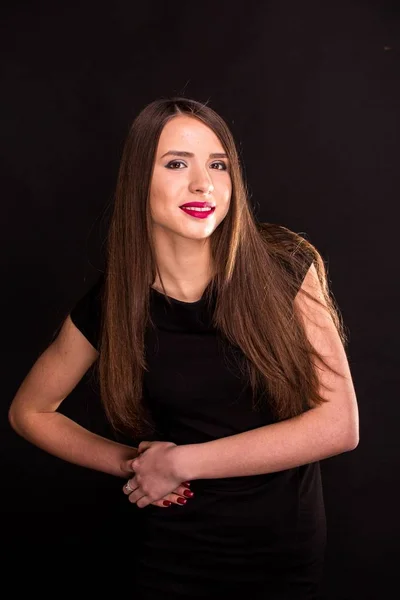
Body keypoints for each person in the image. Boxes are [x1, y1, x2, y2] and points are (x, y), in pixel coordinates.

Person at [8, 96, 359, 599]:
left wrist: (182, 462)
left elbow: (338, 426)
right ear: (138, 182)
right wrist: (132, 463)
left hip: (282, 554)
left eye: (218, 165)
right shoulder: (114, 302)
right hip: (170, 552)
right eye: (177, 164)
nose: (204, 184)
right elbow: (31, 412)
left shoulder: (285, 268)